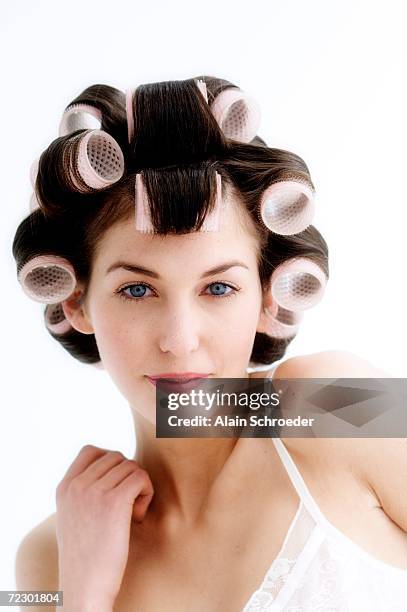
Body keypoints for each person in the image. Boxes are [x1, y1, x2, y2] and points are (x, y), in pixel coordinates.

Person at [13, 76, 407, 611]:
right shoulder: (47, 555)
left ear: (269, 293)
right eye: (136, 289)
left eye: (218, 287)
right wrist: (83, 597)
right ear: (76, 303)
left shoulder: (332, 401)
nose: (179, 338)